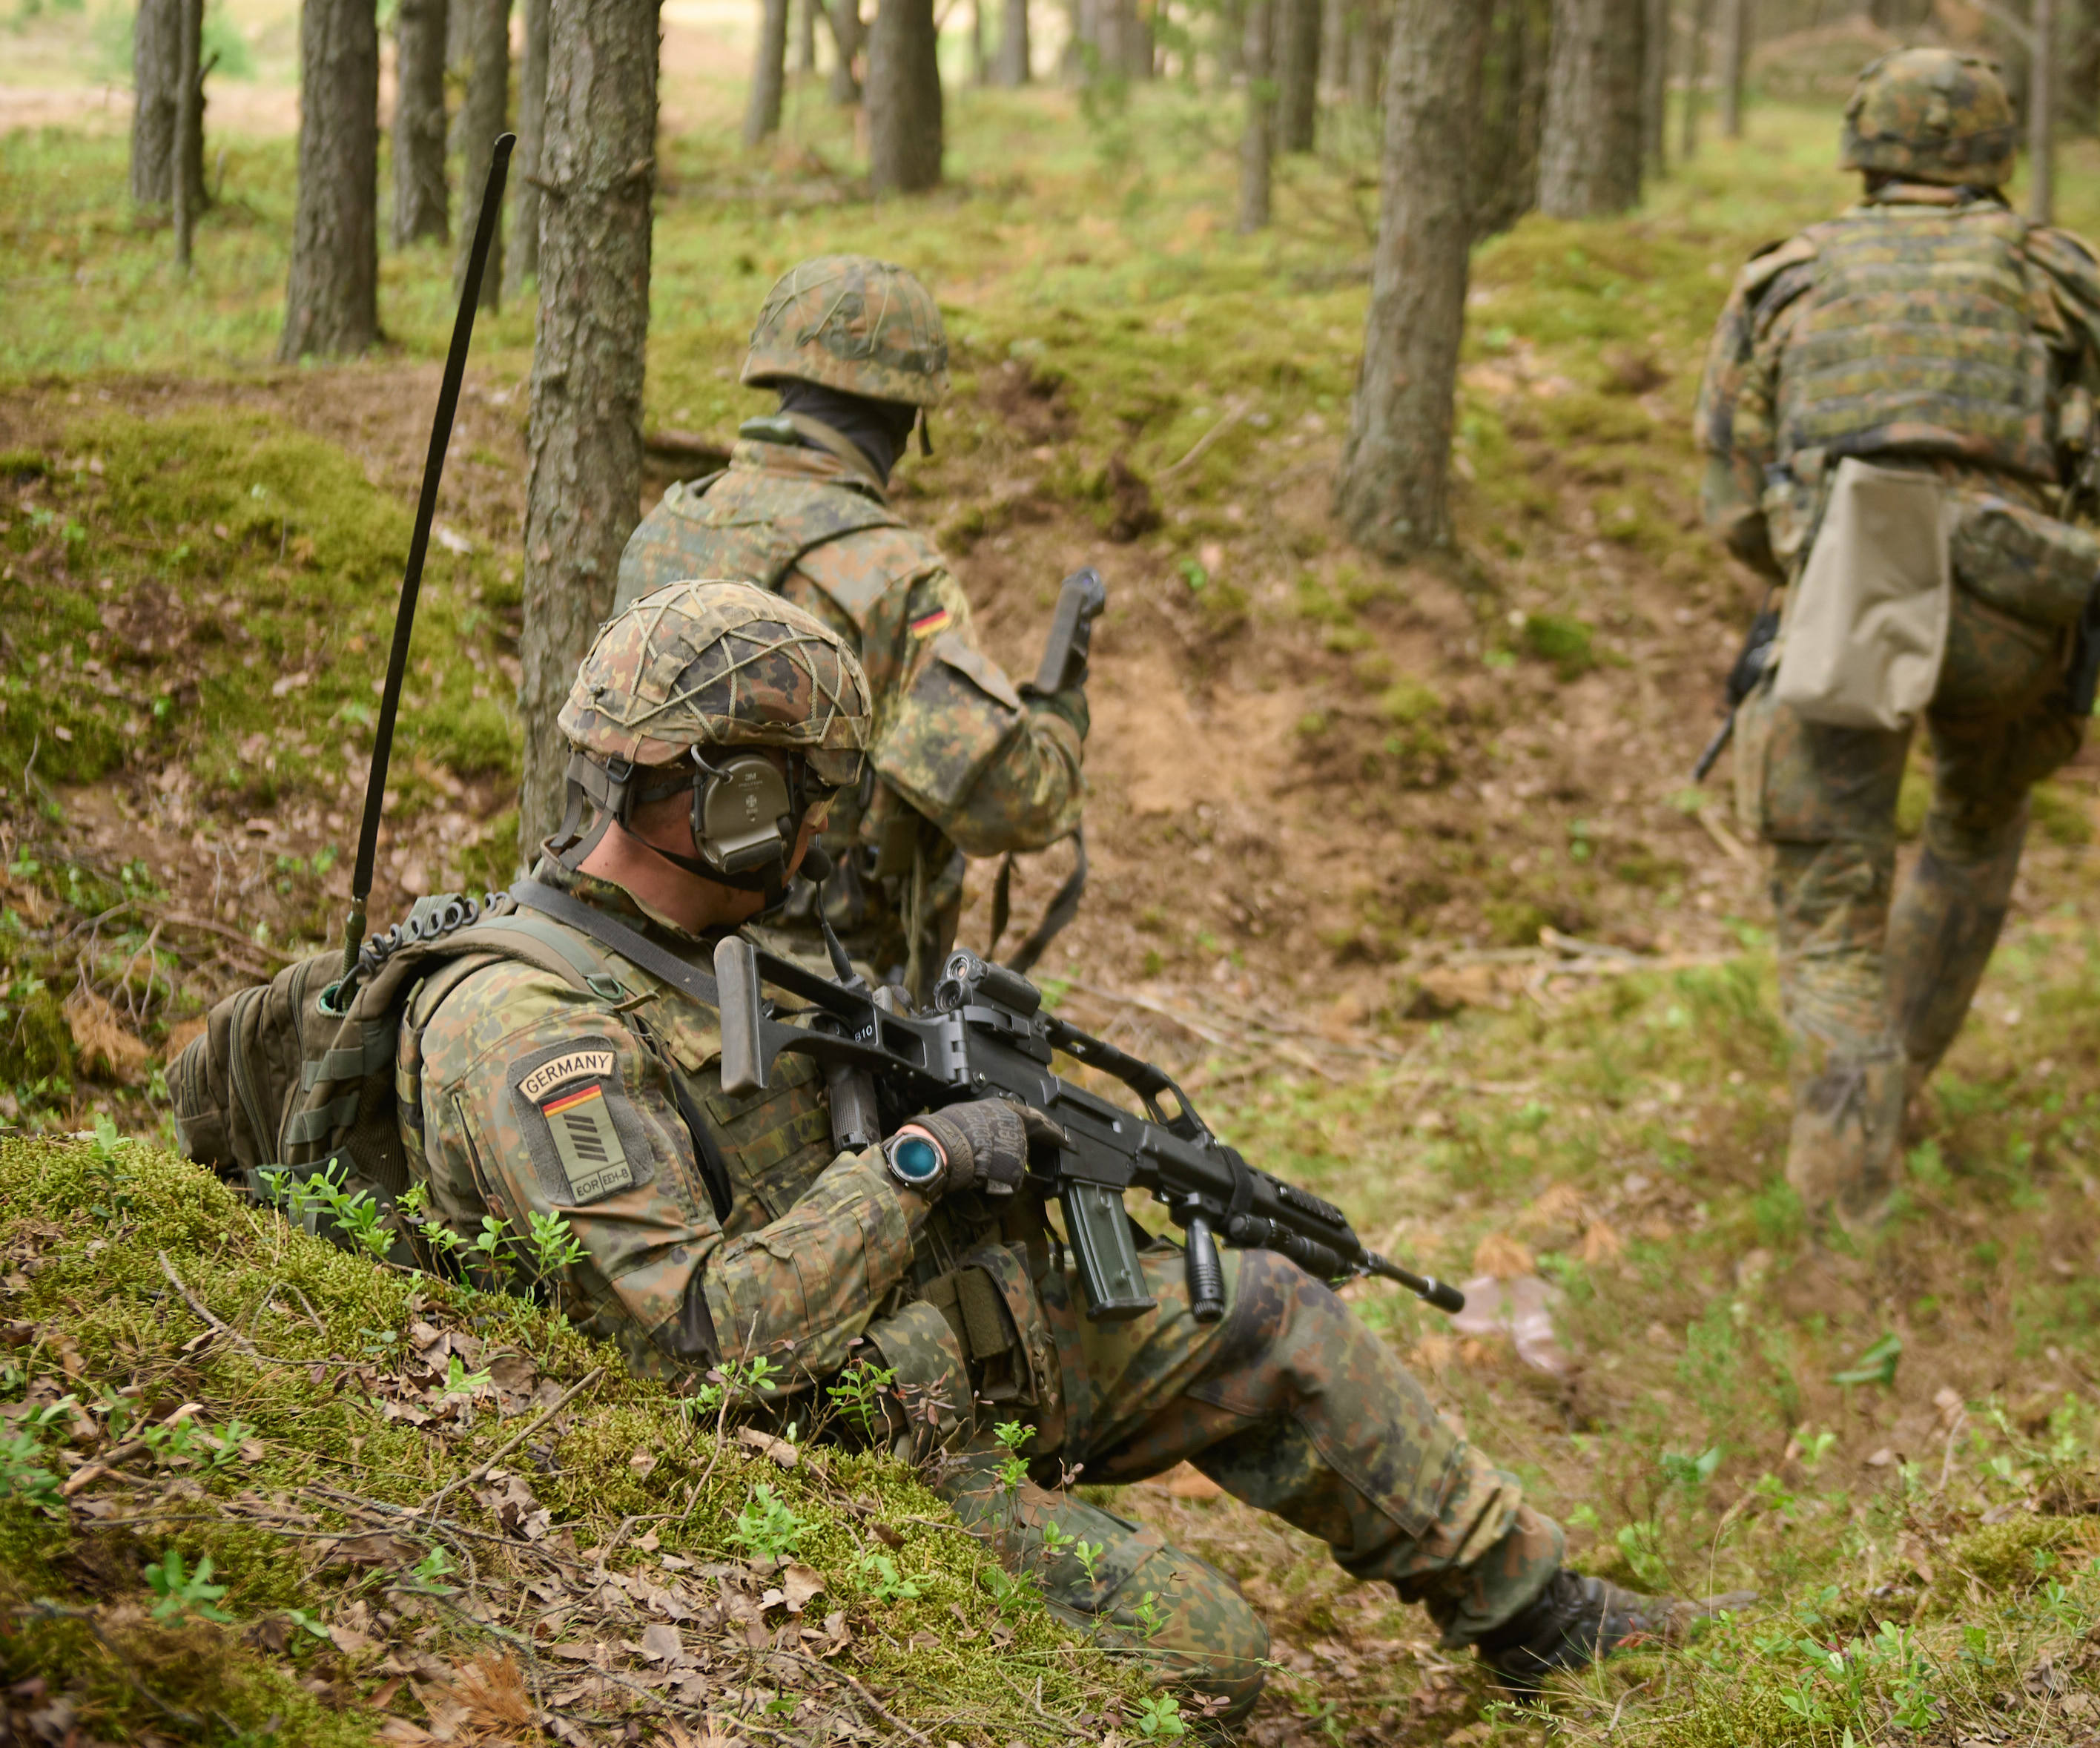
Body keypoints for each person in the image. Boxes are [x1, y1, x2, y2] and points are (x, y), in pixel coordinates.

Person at [398, 579, 1741, 1724]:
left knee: (1262, 1307)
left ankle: (1539, 1617)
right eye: (804, 798)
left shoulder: (706, 956)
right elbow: (694, 1343)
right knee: (1204, 1655)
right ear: (737, 798)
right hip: (821, 1458)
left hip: (917, 1364)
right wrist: (922, 1164)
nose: (819, 834)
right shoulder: (531, 1028)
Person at [1693, 47, 2100, 1238]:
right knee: (1974, 824)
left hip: (1853, 593)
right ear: (1993, 154)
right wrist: (2052, 477)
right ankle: (1897, 1084)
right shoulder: (2044, 266)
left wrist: (1813, 566)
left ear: (1862, 146)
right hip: (2016, 608)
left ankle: (1841, 1199)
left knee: (1827, 892)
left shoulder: (1788, 276)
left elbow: (1726, 495)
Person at [615, 256, 1085, 991]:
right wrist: (1059, 720)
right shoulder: (892, 576)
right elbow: (1014, 806)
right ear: (906, 418)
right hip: (811, 994)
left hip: (630, 943)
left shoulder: (666, 527)